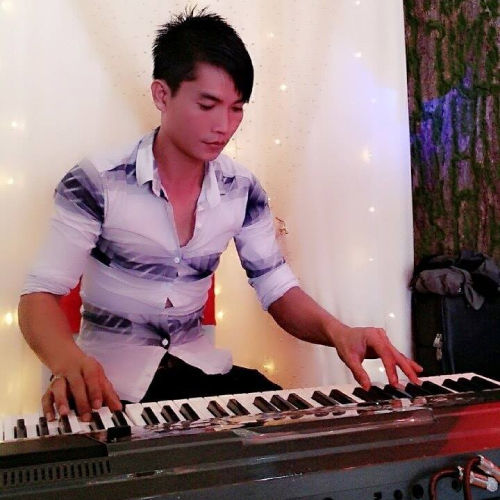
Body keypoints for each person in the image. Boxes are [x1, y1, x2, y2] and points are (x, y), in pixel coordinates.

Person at [18, 8, 422, 423]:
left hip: (202, 376)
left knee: (304, 434)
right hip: (108, 387)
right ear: (162, 95)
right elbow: (39, 296)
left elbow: (276, 287)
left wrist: (339, 332)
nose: (224, 126)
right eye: (208, 105)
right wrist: (69, 362)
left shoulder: (241, 189)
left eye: (236, 109)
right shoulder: (97, 181)